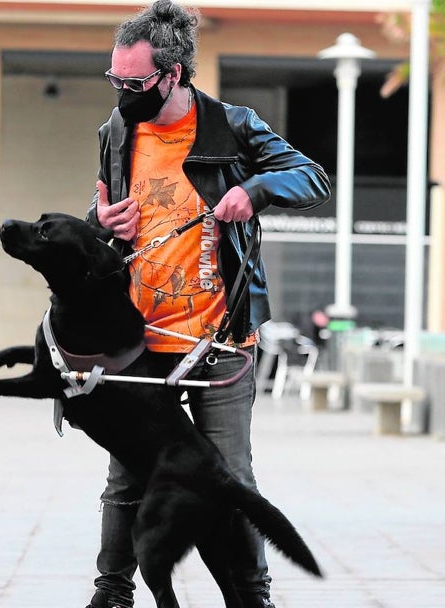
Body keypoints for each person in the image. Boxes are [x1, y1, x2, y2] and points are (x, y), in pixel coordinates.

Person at [84, 2, 330, 607]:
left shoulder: (232, 125)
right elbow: (101, 221)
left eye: (133, 83)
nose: (122, 93)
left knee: (231, 479)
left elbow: (312, 177)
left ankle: (252, 597)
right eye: (114, 80)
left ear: (172, 75)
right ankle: (111, 596)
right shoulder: (116, 132)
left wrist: (255, 187)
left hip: (220, 340)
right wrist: (101, 222)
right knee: (126, 479)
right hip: (138, 339)